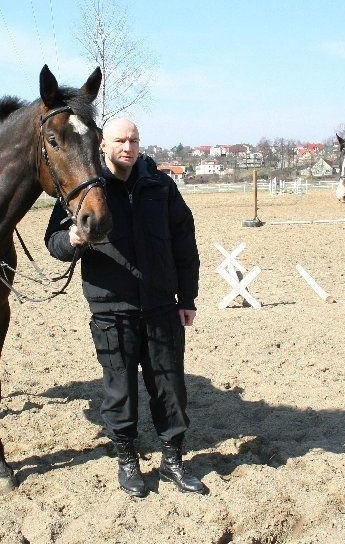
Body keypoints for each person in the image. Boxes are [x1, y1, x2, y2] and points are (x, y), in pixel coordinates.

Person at [45, 118, 207, 498]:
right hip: (110, 310)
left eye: (133, 140)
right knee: (119, 391)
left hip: (161, 307)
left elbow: (185, 243)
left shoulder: (161, 187)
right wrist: (71, 238)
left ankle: (173, 462)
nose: (128, 147)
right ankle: (128, 460)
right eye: (120, 140)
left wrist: (188, 299)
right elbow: (53, 242)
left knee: (170, 388)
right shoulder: (85, 189)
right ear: (103, 144)